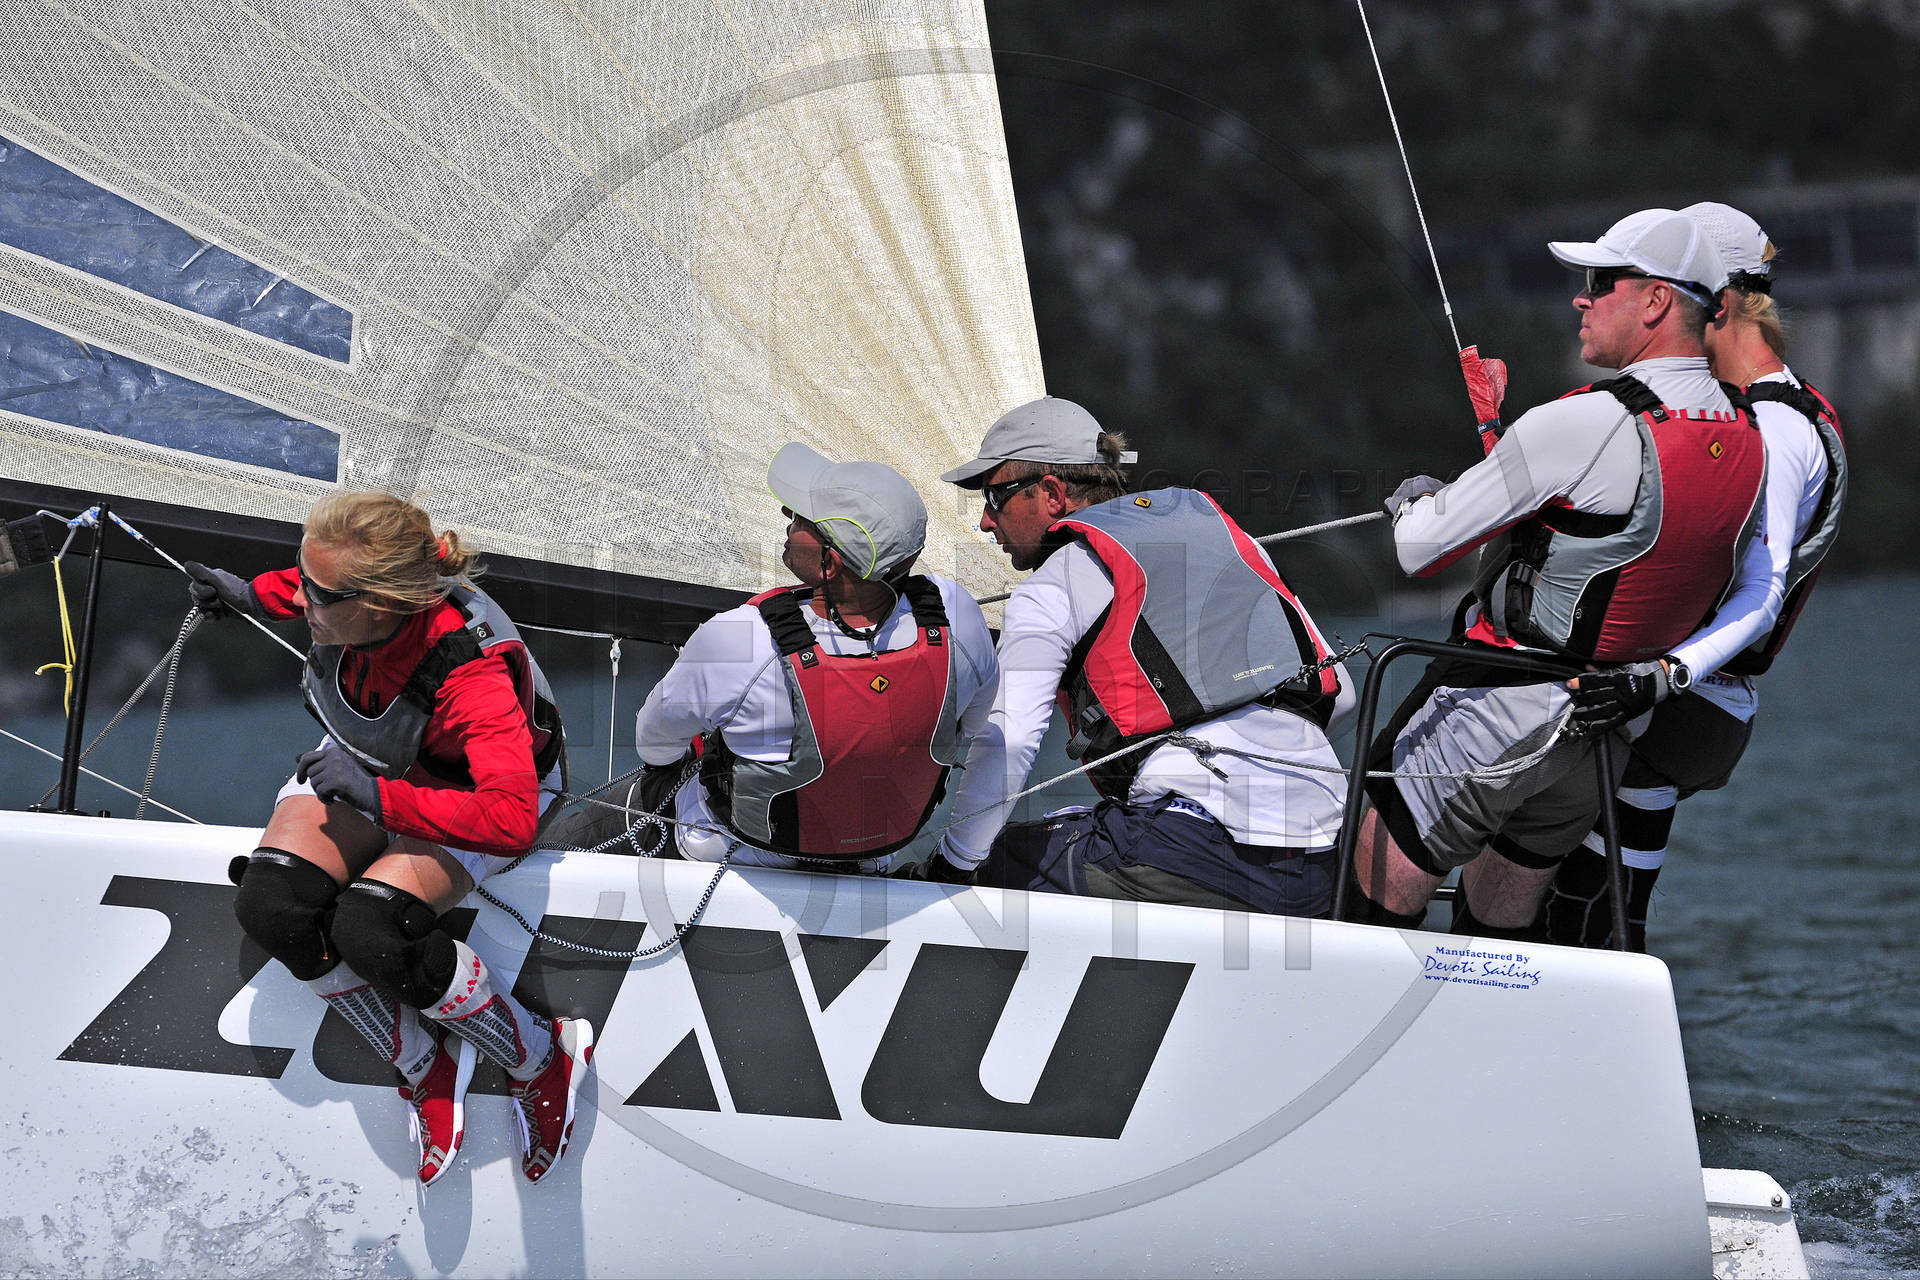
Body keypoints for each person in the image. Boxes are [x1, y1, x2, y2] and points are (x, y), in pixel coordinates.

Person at [1348, 208, 1775, 939]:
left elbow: (1420, 549)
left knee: (1367, 894)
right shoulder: (1747, 434)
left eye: (1600, 282)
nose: (1582, 297)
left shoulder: (1581, 422)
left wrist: (1416, 502)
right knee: (1503, 931)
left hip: (1495, 713)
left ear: (1656, 300)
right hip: (1602, 736)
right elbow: (1644, 557)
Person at [184, 491, 590, 1186]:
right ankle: (426, 1064)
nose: (300, 600)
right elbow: (301, 586)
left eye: (317, 593)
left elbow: (511, 819)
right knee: (272, 906)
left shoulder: (472, 675)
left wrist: (379, 800)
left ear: (381, 604)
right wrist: (246, 595)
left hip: (473, 791)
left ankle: (539, 1057)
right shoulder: (348, 598)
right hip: (376, 758)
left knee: (370, 928)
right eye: (302, 577)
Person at [1542, 201, 1847, 950]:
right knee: (1591, 923)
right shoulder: (1741, 412)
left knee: (1573, 918)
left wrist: (1661, 677)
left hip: (1675, 704)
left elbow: (1762, 595)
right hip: (1675, 704)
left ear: (1722, 300)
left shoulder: (1775, 428)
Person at [930, 396, 1353, 915]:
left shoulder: (1053, 586)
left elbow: (1010, 739)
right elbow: (1342, 697)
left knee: (997, 859)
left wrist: (951, 867)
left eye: (995, 497)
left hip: (1190, 856)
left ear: (1053, 494)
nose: (984, 522)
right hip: (1322, 863)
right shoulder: (1229, 540)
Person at [629, 445, 997, 873]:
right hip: (872, 858)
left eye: (803, 519)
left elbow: (654, 743)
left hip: (736, 855)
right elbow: (973, 725)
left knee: (605, 816)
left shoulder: (741, 639)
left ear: (831, 564)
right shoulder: (957, 618)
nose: (788, 516)